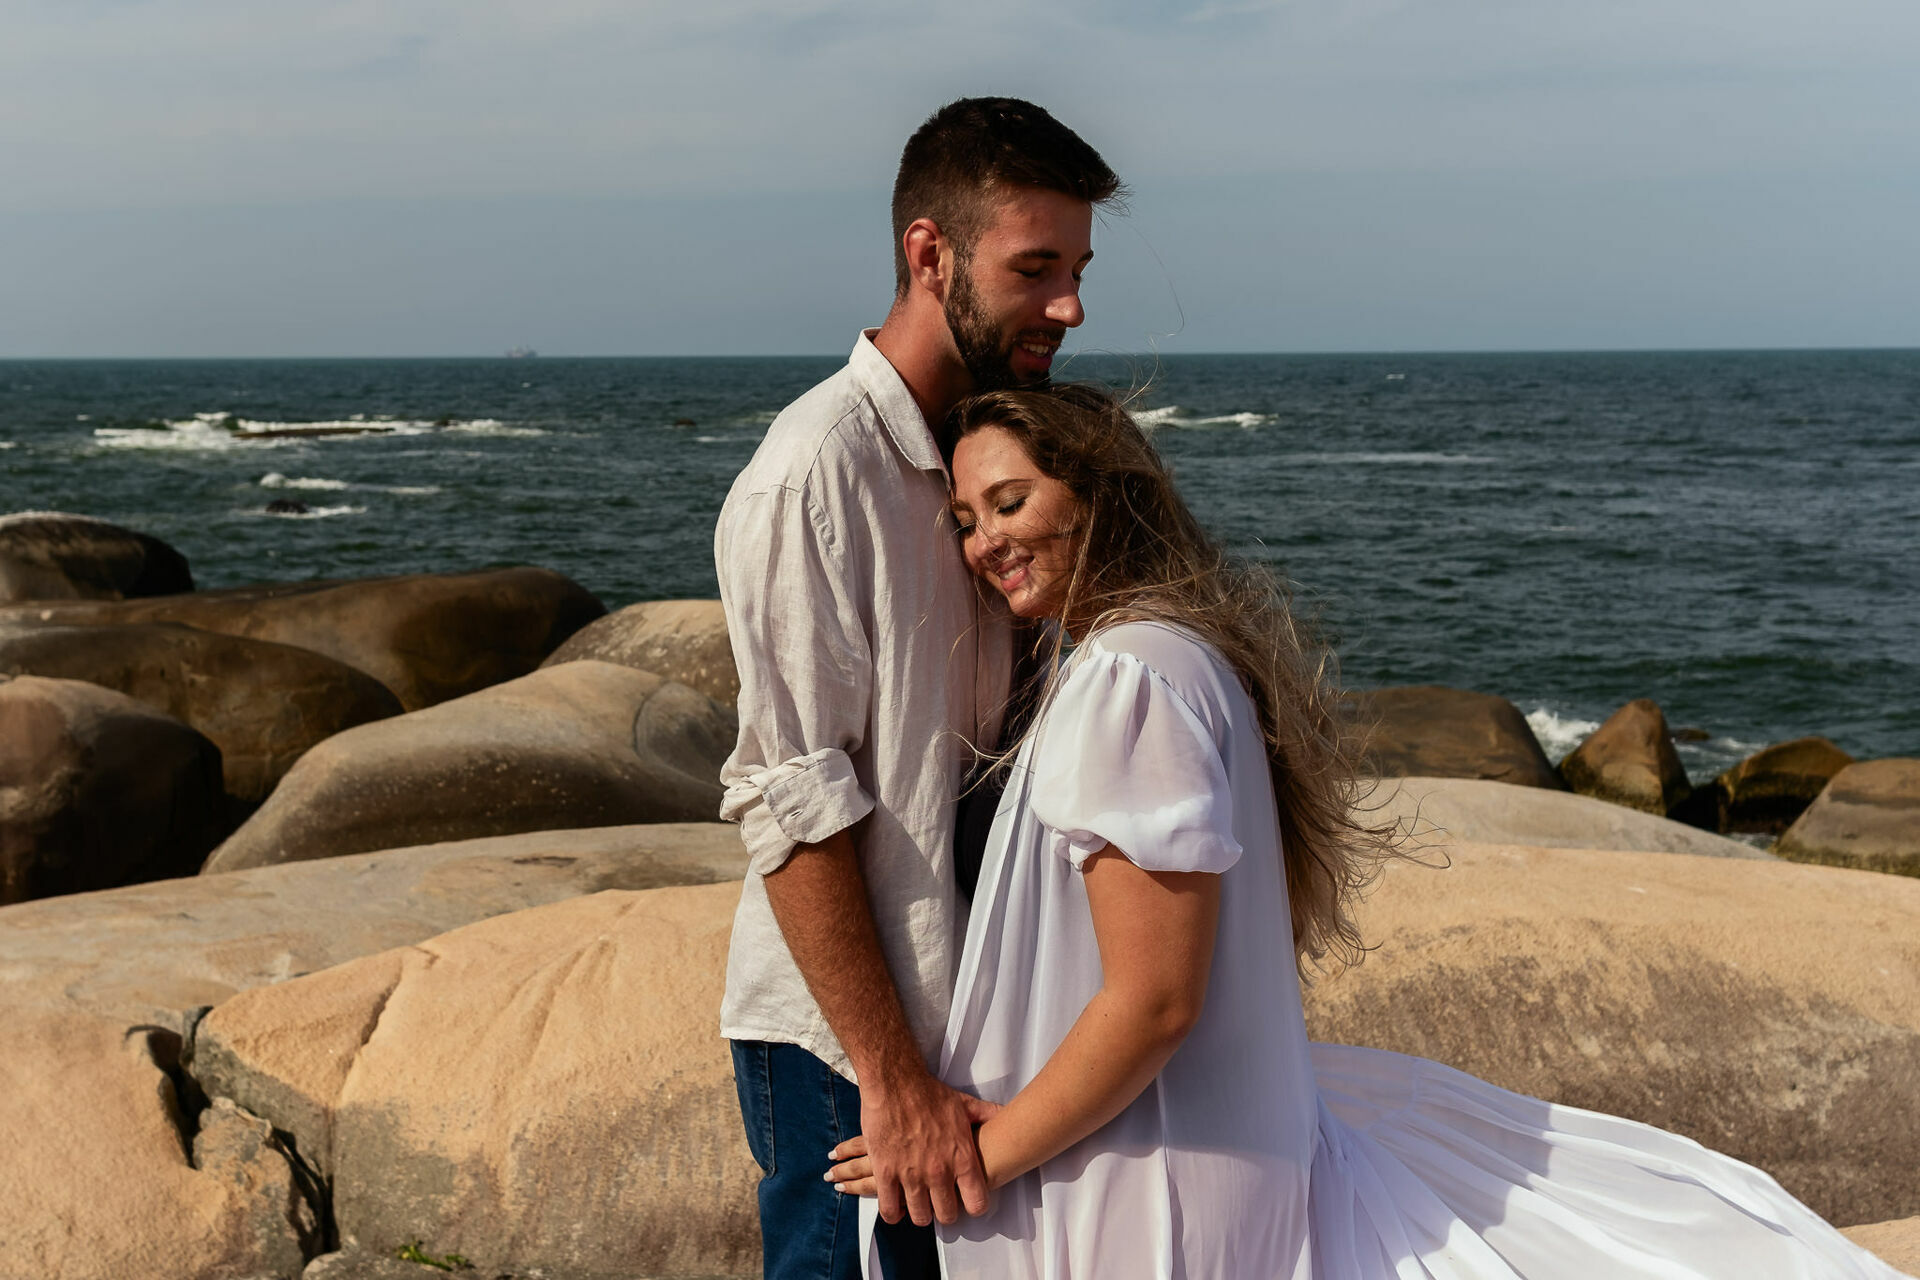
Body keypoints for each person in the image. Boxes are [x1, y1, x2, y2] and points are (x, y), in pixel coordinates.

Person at [825, 383, 1911, 1280]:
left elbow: (1153, 998)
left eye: (1010, 501)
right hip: (1180, 1155)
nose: (985, 543)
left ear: (1101, 492)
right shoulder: (1183, 652)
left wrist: (973, 1161)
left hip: (1138, 1182)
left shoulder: (1125, 677)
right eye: (967, 520)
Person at [713, 99, 1124, 1280]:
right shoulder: (814, 473)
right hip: (855, 1050)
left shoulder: (992, 451)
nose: (1071, 306)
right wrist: (890, 1080)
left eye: (1079, 269)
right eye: (1035, 268)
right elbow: (789, 797)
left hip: (980, 1018)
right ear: (929, 253)